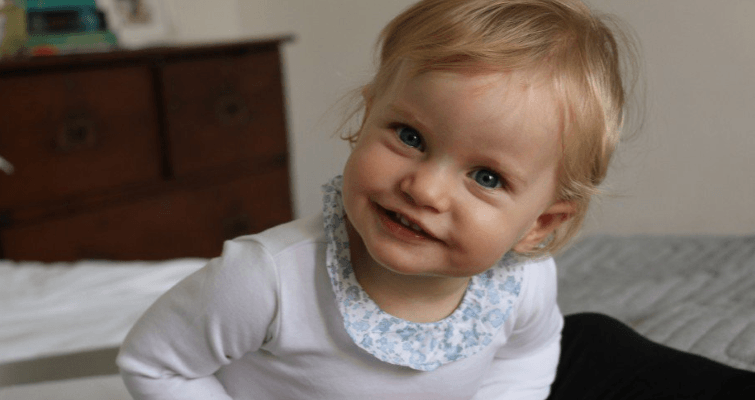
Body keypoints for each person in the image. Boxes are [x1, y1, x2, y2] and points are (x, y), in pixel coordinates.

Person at [117, 1, 755, 399]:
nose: (423, 187)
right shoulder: (267, 279)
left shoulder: (522, 282)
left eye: (487, 177)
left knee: (603, 343)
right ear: (366, 118)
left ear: (540, 224)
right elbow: (155, 363)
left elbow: (527, 356)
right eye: (410, 136)